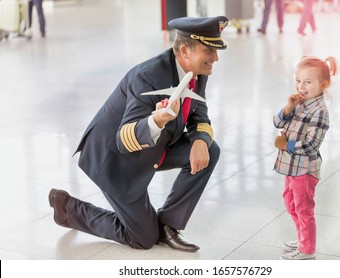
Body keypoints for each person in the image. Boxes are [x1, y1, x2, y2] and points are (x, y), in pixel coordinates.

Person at [48, 16, 229, 252]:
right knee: (142, 238)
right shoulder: (148, 77)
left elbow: (198, 112)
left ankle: (167, 226)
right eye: (208, 50)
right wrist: (156, 120)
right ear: (185, 51)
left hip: (155, 149)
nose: (215, 58)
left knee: (209, 149)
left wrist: (200, 140)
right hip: (115, 160)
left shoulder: (197, 70)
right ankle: (67, 208)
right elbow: (124, 140)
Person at [273, 56, 338, 260]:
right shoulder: (299, 103)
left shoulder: (319, 112)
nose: (301, 86)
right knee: (290, 203)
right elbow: (276, 122)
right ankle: (303, 238)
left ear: (323, 84)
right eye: (298, 80)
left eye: (308, 82)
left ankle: (307, 248)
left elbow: (311, 145)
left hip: (304, 169)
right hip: (290, 167)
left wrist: (286, 145)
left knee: (303, 208)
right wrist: (288, 107)